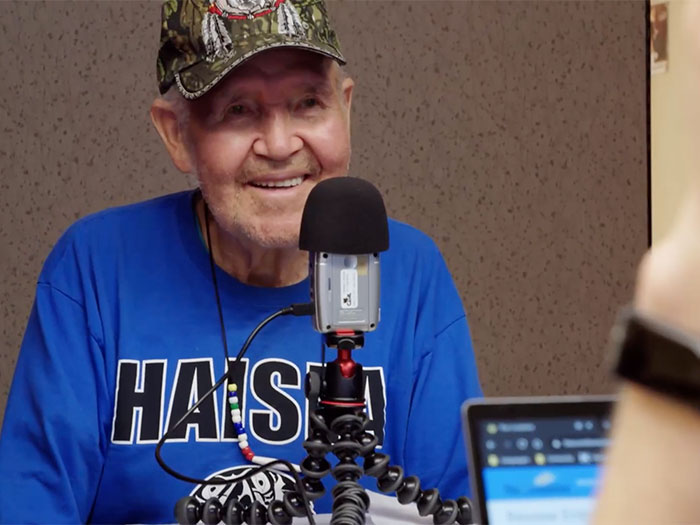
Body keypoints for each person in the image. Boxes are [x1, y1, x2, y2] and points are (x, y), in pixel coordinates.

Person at [0, 1, 482, 523]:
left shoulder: (411, 272)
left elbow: (461, 506)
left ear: (345, 109)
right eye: (238, 110)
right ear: (176, 134)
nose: (279, 145)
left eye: (308, 103)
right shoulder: (95, 268)